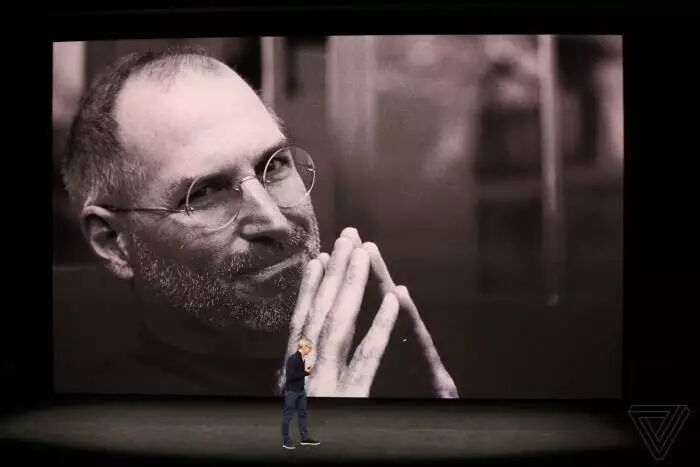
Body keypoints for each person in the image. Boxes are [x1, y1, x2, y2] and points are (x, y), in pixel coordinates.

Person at [60, 45, 458, 398]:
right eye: (205, 192)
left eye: (275, 165)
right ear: (113, 242)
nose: (274, 220)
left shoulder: (385, 371)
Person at [281, 337, 320, 449]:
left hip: (301, 391)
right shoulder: (293, 359)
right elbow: (290, 376)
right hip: (292, 391)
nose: (310, 350)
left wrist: (305, 373)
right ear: (303, 346)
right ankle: (286, 440)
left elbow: (298, 374)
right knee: (287, 416)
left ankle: (304, 438)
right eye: (309, 348)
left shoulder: (302, 358)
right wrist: (305, 373)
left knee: (303, 414)